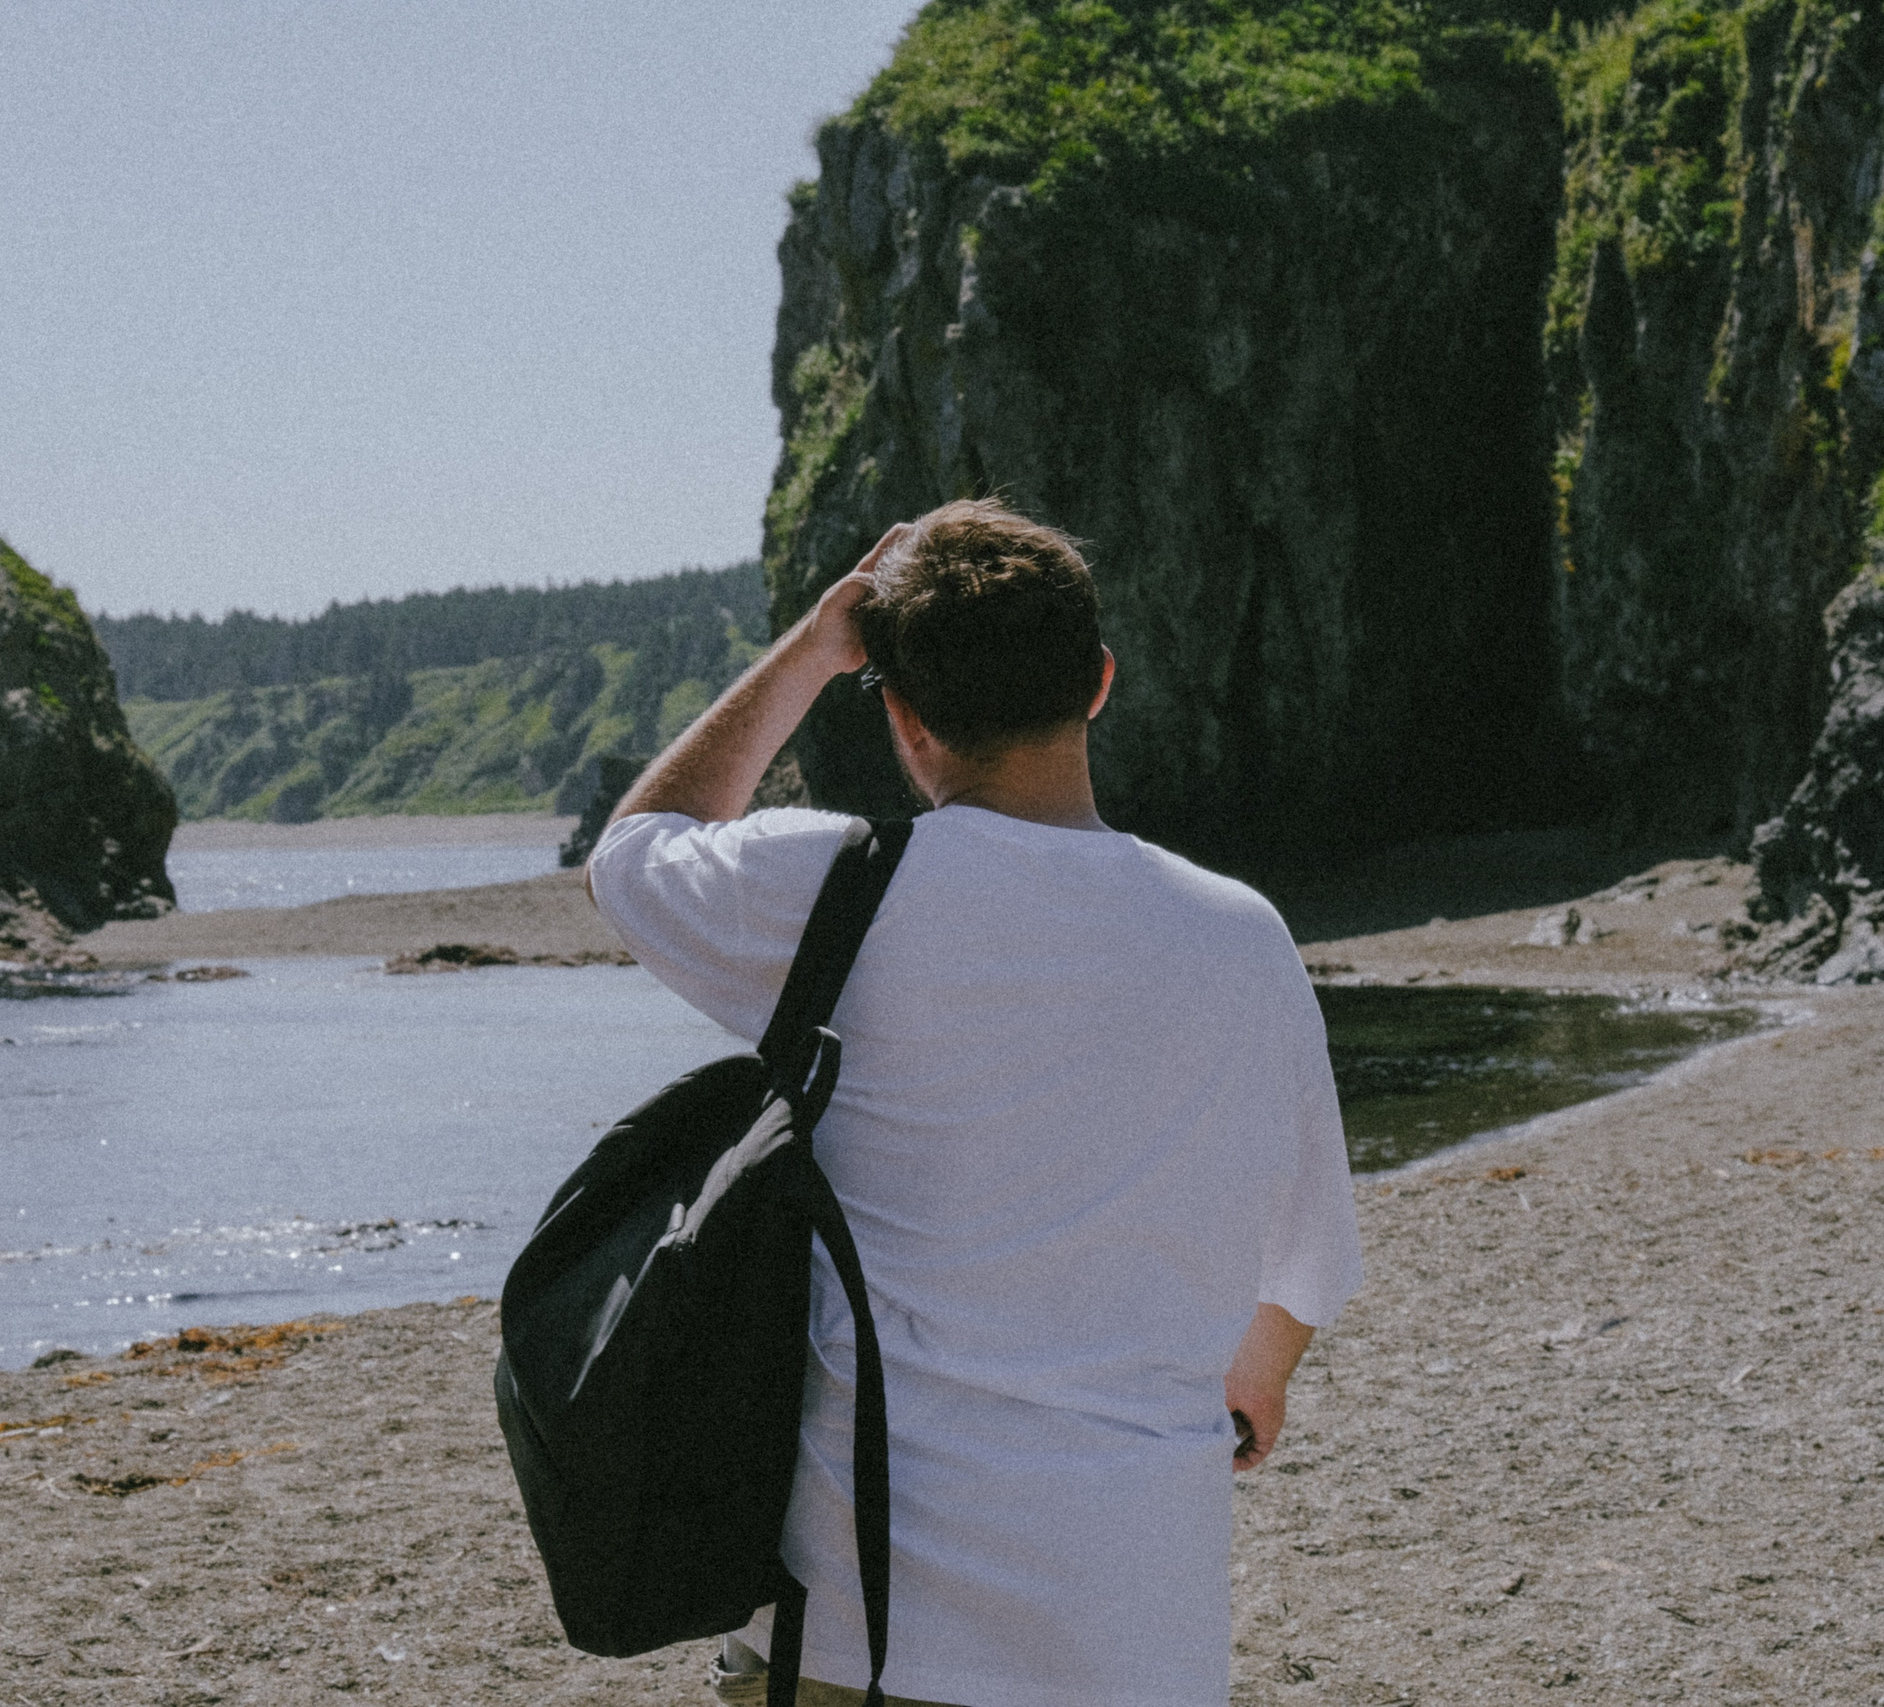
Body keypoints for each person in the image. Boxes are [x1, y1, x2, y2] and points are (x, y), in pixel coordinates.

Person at [584, 499, 1363, 1707]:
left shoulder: (835, 886)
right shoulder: (1238, 934)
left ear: (902, 718)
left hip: (862, 1615)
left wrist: (815, 643)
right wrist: (1256, 1371)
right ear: (1097, 682)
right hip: (1131, 1633)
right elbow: (1306, 1256)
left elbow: (635, 850)